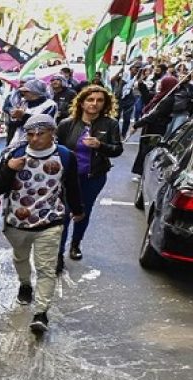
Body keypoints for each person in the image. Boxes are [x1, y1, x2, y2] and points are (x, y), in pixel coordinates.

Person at [0, 115, 84, 334]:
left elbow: (72, 185)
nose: (34, 139)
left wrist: (78, 209)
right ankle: (25, 284)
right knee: (20, 258)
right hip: (17, 223)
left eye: (40, 134)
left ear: (52, 133)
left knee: (46, 269)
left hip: (49, 223)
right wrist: (9, 168)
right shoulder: (13, 154)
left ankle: (41, 313)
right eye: (30, 134)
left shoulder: (64, 156)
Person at [56, 85, 123, 265]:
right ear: (82, 102)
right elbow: (55, 149)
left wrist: (100, 145)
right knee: (64, 213)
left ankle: (76, 244)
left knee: (83, 212)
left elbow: (117, 150)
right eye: (90, 99)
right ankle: (58, 254)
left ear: (105, 104)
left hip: (93, 177)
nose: (94, 104)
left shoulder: (110, 124)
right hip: (67, 179)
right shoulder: (67, 124)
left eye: (99, 100)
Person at [130, 75, 179, 177]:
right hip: (149, 127)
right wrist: (141, 85)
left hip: (156, 129)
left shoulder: (168, 100)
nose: (160, 85)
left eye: (163, 83)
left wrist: (136, 125)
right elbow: (148, 98)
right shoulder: (161, 95)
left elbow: (154, 115)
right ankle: (140, 171)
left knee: (148, 150)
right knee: (143, 148)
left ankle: (145, 173)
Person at [6, 80, 57, 148]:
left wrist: (23, 116)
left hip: (39, 142)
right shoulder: (24, 103)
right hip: (19, 140)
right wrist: (14, 117)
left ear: (35, 91)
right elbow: (16, 124)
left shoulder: (50, 105)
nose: (23, 93)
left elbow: (43, 124)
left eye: (26, 91)